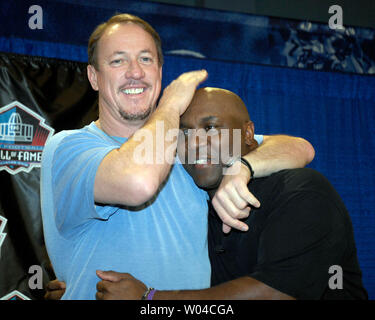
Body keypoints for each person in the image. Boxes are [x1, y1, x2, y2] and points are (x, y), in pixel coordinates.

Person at [41, 14, 314, 300]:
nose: (135, 72)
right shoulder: (69, 148)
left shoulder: (188, 146)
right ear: (94, 77)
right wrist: (171, 102)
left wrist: (242, 167)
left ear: (160, 71)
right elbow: (138, 182)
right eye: (118, 60)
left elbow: (298, 148)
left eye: (145, 59)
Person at [91, 88, 368, 300]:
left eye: (211, 128)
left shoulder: (302, 191)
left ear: (249, 134)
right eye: (184, 133)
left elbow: (275, 294)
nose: (195, 143)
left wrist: (150, 299)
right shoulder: (195, 203)